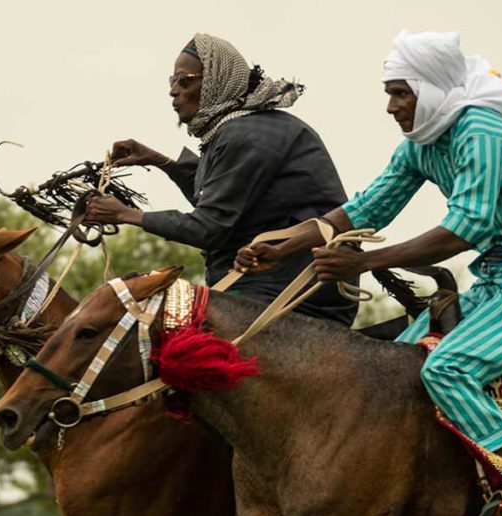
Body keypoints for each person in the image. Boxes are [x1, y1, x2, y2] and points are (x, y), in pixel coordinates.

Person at [237, 30, 502, 464]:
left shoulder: (481, 128)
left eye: (400, 94)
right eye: (389, 94)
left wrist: (365, 260)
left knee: (446, 370)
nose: (391, 107)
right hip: (497, 287)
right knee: (391, 366)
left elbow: (464, 229)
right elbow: (364, 210)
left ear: (430, 89)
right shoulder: (422, 145)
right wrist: (282, 247)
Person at [84, 33, 357, 327]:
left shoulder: (247, 134)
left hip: (292, 286)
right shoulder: (237, 129)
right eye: (171, 82)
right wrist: (160, 161)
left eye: (185, 81)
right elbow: (222, 200)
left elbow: (209, 227)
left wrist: (124, 214)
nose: (174, 92)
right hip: (268, 281)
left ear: (217, 81)